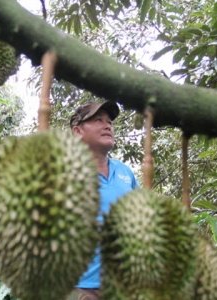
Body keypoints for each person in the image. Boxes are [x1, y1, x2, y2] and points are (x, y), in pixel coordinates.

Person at [67, 101, 139, 300]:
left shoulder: (125, 172)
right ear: (77, 131)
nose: (107, 125)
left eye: (109, 122)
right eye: (98, 120)